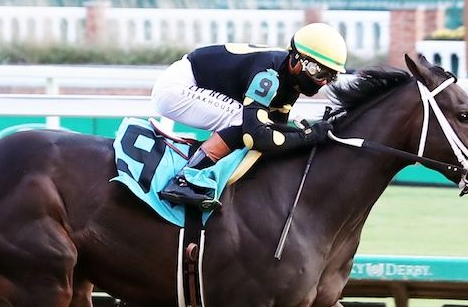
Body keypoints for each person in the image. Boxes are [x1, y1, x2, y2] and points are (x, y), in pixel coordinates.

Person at [149, 21, 348, 209]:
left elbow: (274, 132)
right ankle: (184, 180)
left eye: (330, 76)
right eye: (317, 71)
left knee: (253, 124)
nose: (323, 82)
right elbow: (255, 136)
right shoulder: (268, 75)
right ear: (296, 58)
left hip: (193, 83)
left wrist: (307, 135)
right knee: (241, 120)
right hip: (177, 86)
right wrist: (307, 136)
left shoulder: (290, 82)